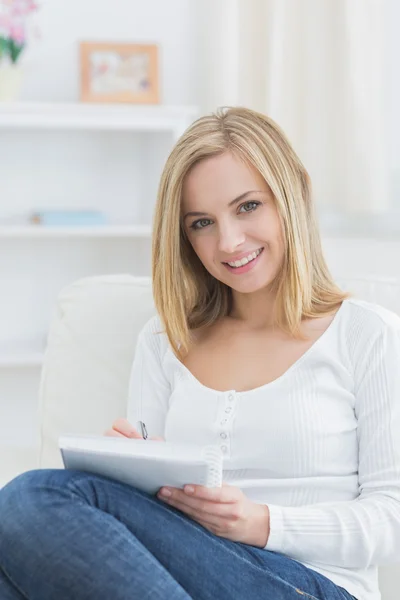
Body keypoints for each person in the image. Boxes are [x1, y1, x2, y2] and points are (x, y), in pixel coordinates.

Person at [0, 106, 399, 600]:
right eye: (202, 223)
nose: (228, 241)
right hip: (187, 575)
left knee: (32, 500)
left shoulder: (368, 335)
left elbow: (391, 520)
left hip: (312, 586)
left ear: (293, 194)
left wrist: (261, 524)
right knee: (17, 563)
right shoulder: (165, 341)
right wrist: (131, 474)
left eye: (248, 206)